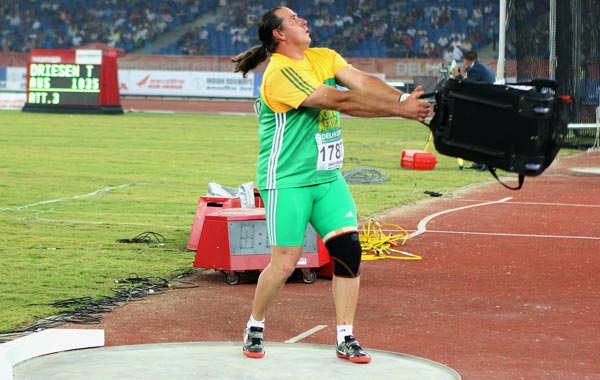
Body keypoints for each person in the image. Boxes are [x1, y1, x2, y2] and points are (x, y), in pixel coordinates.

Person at [231, 6, 430, 364]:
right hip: (287, 181)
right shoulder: (279, 74)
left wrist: (400, 99)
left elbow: (361, 82)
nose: (303, 21)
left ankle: (345, 336)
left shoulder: (323, 57)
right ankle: (255, 325)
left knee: (349, 251)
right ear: (278, 34)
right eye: (293, 19)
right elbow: (338, 99)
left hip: (327, 178)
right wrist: (398, 113)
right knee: (285, 263)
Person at [451, 50, 496, 170]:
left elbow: (468, 87)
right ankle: (480, 162)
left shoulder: (474, 70)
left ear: (466, 60)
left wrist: (457, 76)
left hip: (482, 105)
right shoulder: (483, 67)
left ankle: (486, 163)